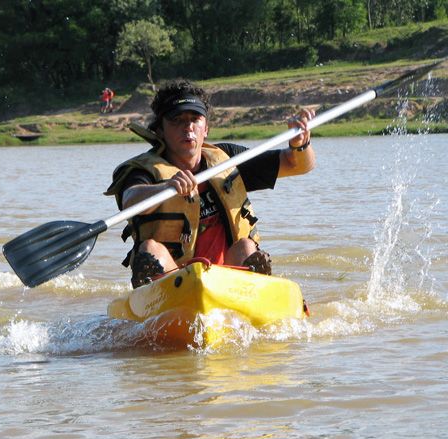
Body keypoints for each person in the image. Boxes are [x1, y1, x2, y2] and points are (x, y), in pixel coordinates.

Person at [105, 79, 315, 288]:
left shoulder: (227, 158)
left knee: (246, 246)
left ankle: (252, 296)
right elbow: (130, 201)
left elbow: (297, 165)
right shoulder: (142, 170)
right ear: (160, 130)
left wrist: (300, 144)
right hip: (174, 282)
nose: (188, 127)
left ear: (206, 128)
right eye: (177, 120)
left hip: (226, 279)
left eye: (195, 119)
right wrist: (167, 187)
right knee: (151, 248)